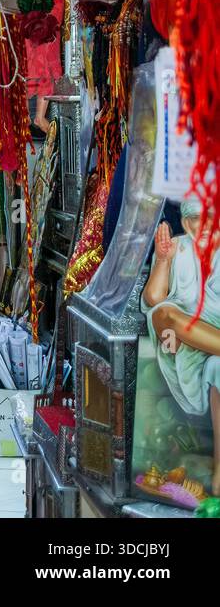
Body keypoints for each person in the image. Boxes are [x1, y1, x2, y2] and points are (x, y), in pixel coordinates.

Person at [142, 202, 220, 497]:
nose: (197, 227)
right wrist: (163, 260)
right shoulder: (178, 247)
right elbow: (153, 298)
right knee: (164, 315)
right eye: (192, 220)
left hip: (211, 339)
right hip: (181, 337)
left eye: (206, 219)